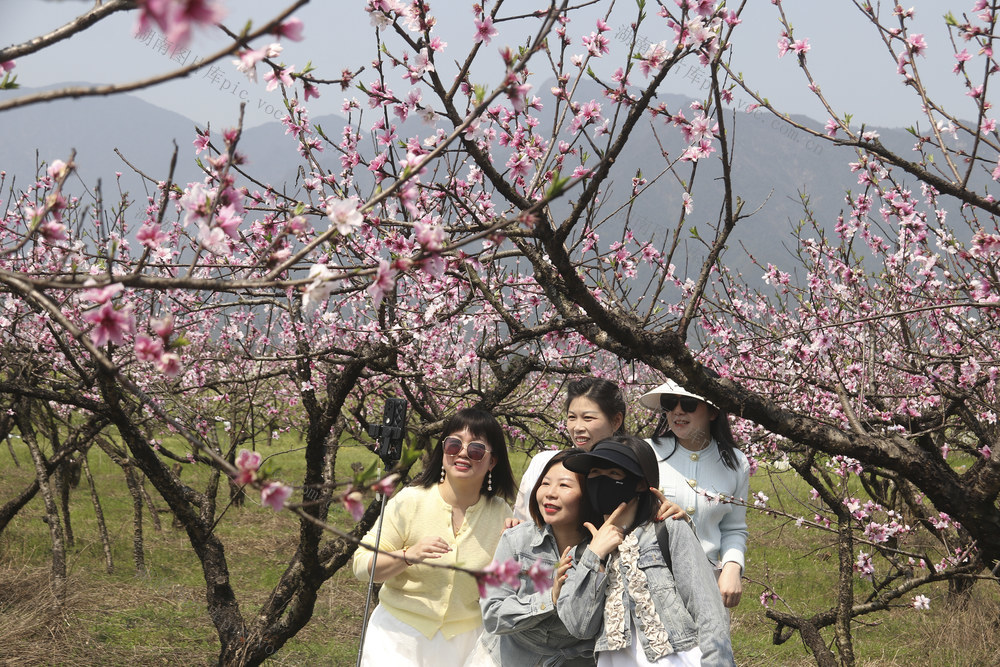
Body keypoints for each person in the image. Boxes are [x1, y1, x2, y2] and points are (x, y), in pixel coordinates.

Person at [352, 407, 517, 666]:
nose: (462, 453)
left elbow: (509, 586)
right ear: (443, 451)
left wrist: (517, 546)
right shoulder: (411, 500)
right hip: (398, 637)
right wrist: (407, 556)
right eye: (453, 445)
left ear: (492, 461)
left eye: (475, 449)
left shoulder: (501, 514)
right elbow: (362, 566)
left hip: (465, 643)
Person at [557, 436, 734, 666]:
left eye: (613, 474)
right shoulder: (582, 551)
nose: (601, 481)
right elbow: (579, 626)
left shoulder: (669, 528)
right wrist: (595, 556)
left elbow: (708, 612)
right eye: (595, 473)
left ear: (639, 483)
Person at [473, 450, 603, 666]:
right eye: (545, 483)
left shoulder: (601, 549)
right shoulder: (516, 540)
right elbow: (492, 615)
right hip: (506, 659)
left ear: (589, 494)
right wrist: (549, 599)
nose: (550, 493)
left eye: (564, 485)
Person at [638, 379, 751, 608]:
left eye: (689, 403)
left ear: (712, 412)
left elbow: (733, 528)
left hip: (708, 585)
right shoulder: (647, 452)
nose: (678, 411)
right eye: (670, 403)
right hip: (651, 582)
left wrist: (732, 565)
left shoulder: (736, 463)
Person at [513, 377, 626, 521]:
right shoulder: (544, 463)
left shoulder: (627, 471)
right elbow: (523, 519)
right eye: (572, 417)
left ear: (616, 421)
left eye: (588, 418)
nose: (577, 427)